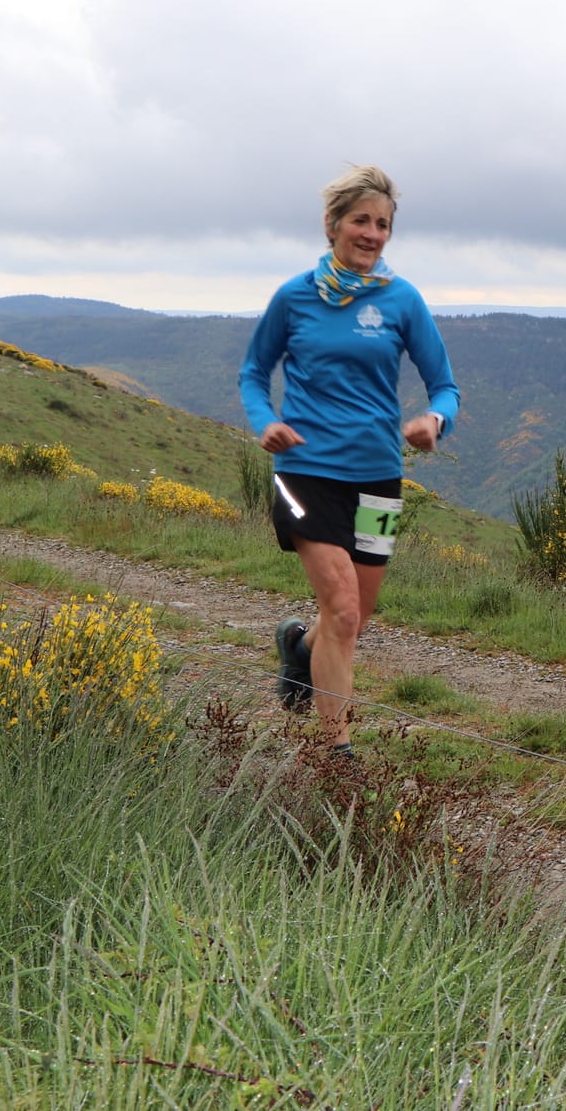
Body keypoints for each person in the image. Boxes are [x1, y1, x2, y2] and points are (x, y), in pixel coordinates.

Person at [238, 164, 460, 756]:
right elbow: (254, 373)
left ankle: (299, 650)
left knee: (355, 619)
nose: (372, 234)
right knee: (339, 609)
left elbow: (445, 386)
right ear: (333, 224)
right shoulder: (295, 297)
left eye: (383, 225)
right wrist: (266, 423)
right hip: (306, 472)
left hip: (379, 477)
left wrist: (434, 421)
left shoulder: (401, 299)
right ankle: (336, 752)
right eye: (361, 220)